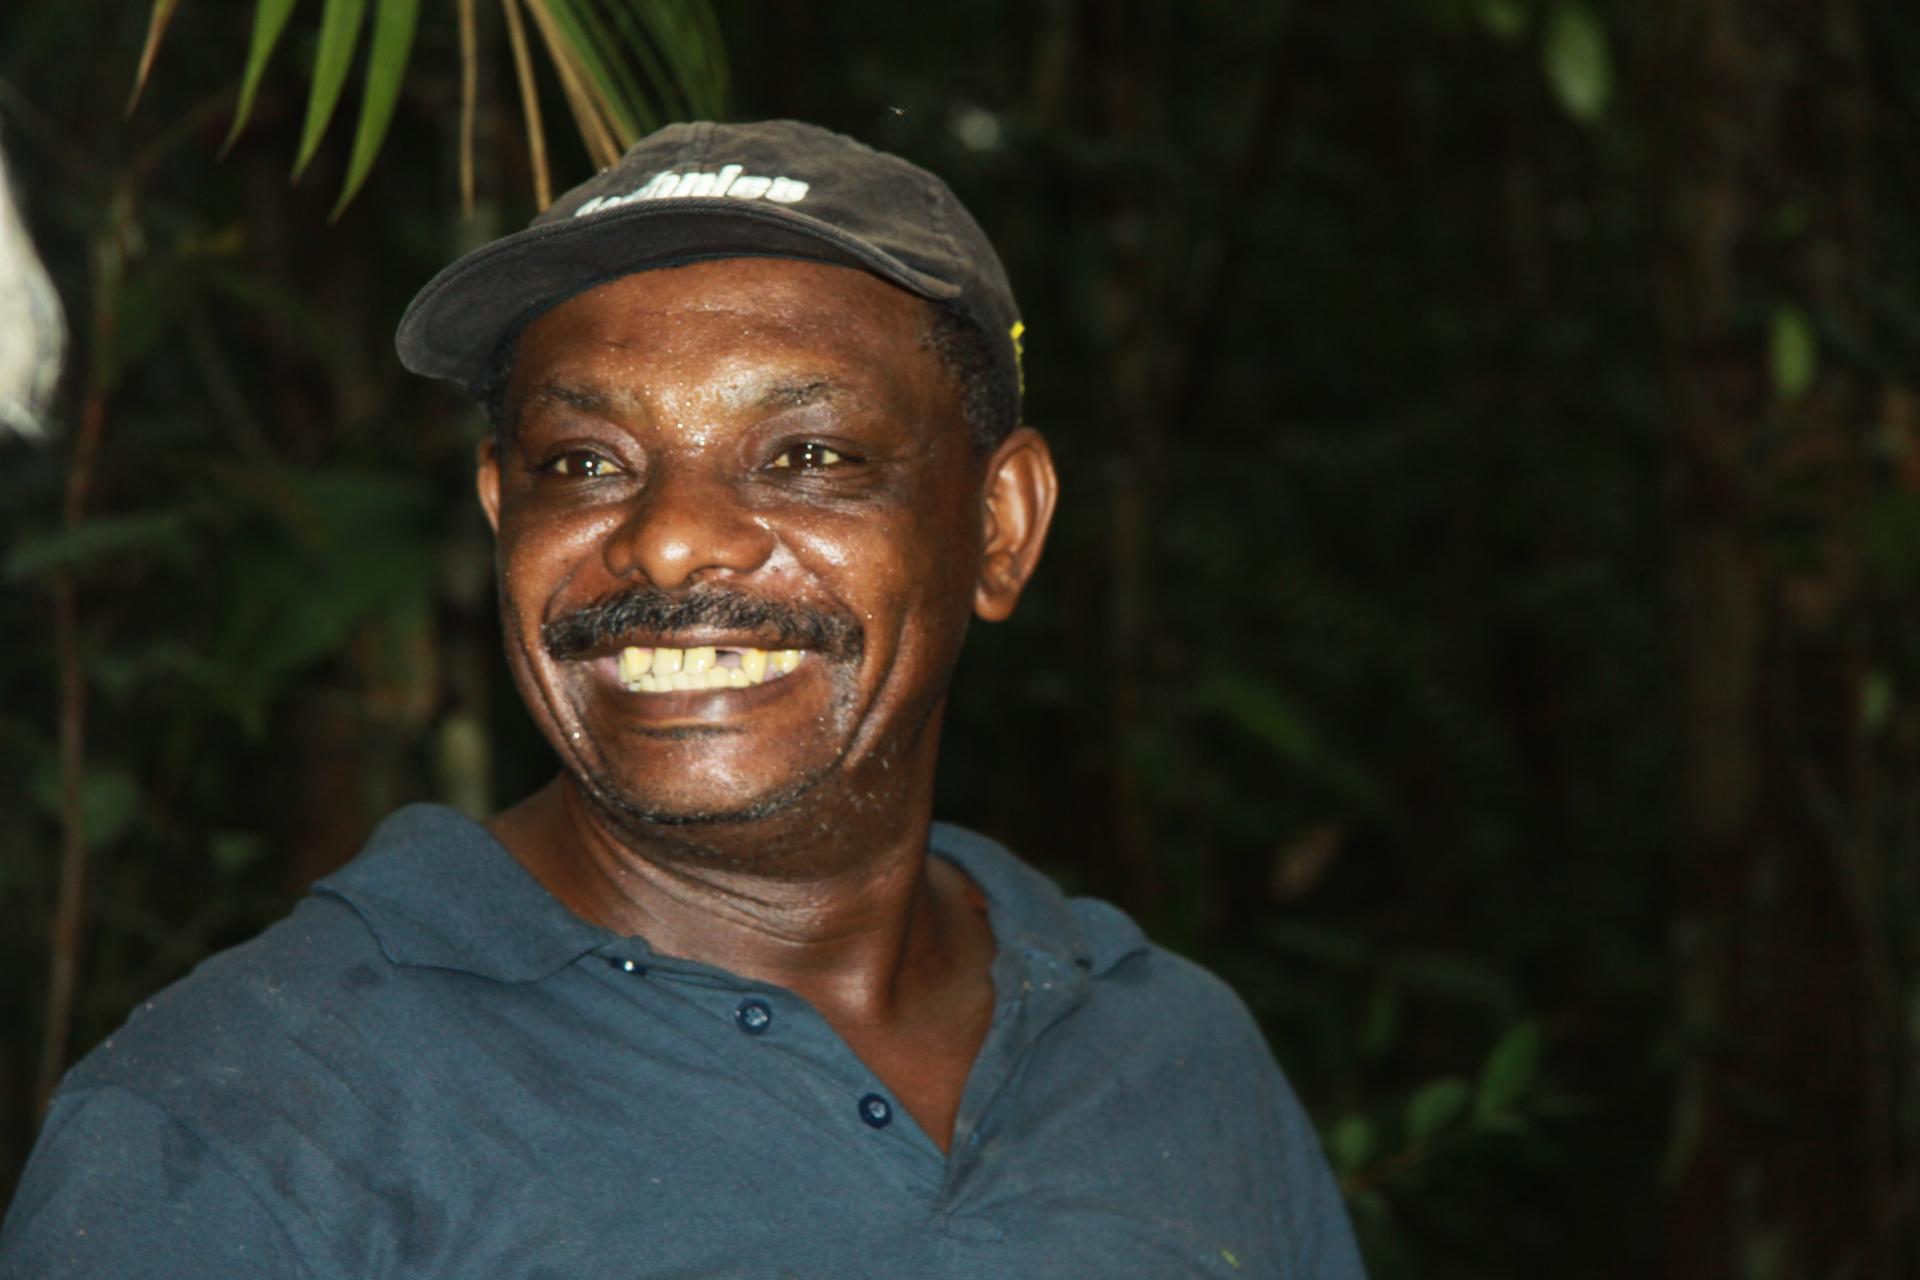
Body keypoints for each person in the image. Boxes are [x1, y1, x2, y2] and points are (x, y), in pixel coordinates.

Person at [1, 120, 1366, 1279]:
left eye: (809, 453)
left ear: (1000, 526)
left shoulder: (1166, 1053)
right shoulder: (242, 1123)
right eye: (583, 464)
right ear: (496, 515)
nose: (666, 541)